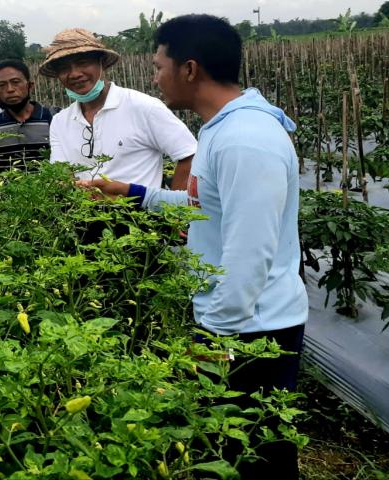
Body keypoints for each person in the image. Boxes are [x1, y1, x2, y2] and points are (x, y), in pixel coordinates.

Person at [80, 14, 308, 478]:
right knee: (229, 446)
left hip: (254, 329)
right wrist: (131, 192)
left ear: (189, 68)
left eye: (157, 65)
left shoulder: (247, 140)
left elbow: (250, 253)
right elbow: (204, 205)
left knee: (257, 456)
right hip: (239, 319)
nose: (153, 76)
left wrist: (214, 338)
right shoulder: (221, 128)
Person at [39, 28, 196, 190]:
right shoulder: (60, 121)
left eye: (82, 63)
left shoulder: (143, 107)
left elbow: (190, 155)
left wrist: (174, 206)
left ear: (102, 63)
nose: (74, 74)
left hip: (141, 213)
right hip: (81, 213)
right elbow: (61, 174)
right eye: (64, 68)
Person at [0, 59, 58, 171]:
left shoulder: (54, 119)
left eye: (16, 82)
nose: (10, 89)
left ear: (30, 86)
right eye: (2, 85)